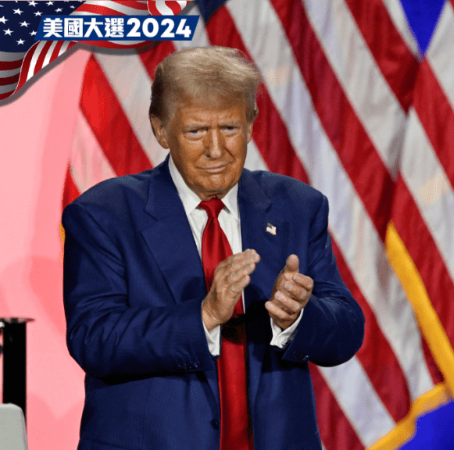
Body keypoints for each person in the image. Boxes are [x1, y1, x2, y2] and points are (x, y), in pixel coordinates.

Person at [62, 46, 364, 450]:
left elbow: (347, 329)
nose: (216, 149)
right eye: (196, 131)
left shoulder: (298, 206)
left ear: (251, 125)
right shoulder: (104, 214)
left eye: (230, 128)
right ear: (161, 130)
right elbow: (93, 338)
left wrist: (297, 317)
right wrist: (203, 316)